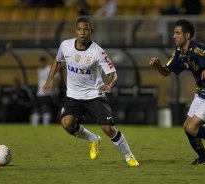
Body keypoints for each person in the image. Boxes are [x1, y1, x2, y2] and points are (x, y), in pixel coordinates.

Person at [42, 16, 139, 167]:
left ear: (91, 31)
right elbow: (57, 60)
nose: (82, 32)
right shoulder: (65, 46)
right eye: (79, 29)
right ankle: (93, 139)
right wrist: (49, 80)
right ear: (75, 30)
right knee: (67, 124)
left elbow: (113, 73)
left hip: (94, 95)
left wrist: (108, 84)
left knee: (108, 129)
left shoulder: (97, 52)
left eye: (86, 29)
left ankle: (129, 156)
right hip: (73, 95)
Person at [149, 19, 205, 165]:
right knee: (187, 127)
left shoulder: (196, 48)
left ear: (187, 36)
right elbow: (167, 72)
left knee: (193, 127)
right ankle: (204, 158)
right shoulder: (179, 53)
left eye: (177, 33)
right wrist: (158, 65)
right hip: (203, 92)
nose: (174, 36)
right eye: (174, 33)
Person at [30, 56, 54, 126]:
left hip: (47, 92)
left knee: (45, 109)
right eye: (40, 62)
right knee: (36, 109)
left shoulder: (49, 68)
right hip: (39, 93)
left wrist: (54, 89)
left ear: (45, 62)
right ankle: (34, 126)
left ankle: (45, 126)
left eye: (43, 62)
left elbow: (56, 78)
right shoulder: (39, 70)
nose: (41, 63)